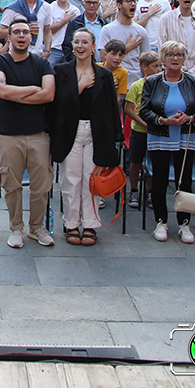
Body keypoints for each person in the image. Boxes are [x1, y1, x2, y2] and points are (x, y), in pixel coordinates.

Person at [0, 19, 55, 248]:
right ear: (10, 37)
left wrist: (16, 95)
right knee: (12, 184)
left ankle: (37, 227)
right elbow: (2, 90)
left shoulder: (42, 64)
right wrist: (32, 90)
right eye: (17, 32)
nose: (21, 36)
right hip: (8, 134)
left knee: (41, 185)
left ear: (31, 37)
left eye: (26, 32)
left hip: (38, 133)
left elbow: (48, 95)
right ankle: (16, 228)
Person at [51, 29, 121, 245]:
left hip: (95, 131)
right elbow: (57, 104)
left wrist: (114, 139)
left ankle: (90, 223)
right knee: (71, 179)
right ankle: (71, 223)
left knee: (92, 179)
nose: (80, 46)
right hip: (69, 129)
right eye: (77, 42)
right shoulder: (61, 71)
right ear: (72, 46)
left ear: (93, 46)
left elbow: (111, 108)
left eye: (85, 42)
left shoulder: (104, 75)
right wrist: (79, 87)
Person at [139, 41, 195, 243]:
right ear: (163, 59)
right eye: (170, 55)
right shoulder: (152, 81)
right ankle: (161, 221)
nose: (175, 59)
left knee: (184, 180)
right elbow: (144, 110)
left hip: (186, 137)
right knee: (159, 180)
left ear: (185, 58)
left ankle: (184, 224)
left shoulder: (193, 81)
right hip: (159, 137)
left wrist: (190, 118)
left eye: (179, 55)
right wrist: (163, 121)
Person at [123, 49, 159, 210]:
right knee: (136, 160)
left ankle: (151, 191)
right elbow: (129, 109)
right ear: (144, 67)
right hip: (139, 129)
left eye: (160, 66)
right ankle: (134, 190)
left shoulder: (161, 85)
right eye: (155, 66)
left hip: (155, 130)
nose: (159, 69)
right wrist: (143, 122)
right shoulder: (137, 86)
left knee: (152, 162)